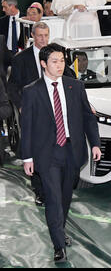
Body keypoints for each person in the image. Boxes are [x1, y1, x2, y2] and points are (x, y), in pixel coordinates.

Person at [21, 43, 101, 263]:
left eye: (62, 61)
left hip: (72, 151)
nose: (59, 65)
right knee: (54, 199)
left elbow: (87, 117)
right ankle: (58, 244)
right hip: (46, 154)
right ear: (43, 63)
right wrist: (27, 157)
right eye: (54, 61)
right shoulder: (31, 91)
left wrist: (95, 143)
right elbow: (26, 126)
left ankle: (60, 229)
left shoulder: (75, 86)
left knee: (65, 197)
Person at [8, 22, 75, 206]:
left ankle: (56, 187)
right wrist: (21, 106)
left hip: (56, 112)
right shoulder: (21, 59)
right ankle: (40, 190)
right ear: (32, 35)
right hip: (33, 114)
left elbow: (69, 78)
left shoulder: (57, 56)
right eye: (39, 36)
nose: (43, 39)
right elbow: (12, 86)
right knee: (37, 150)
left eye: (46, 35)